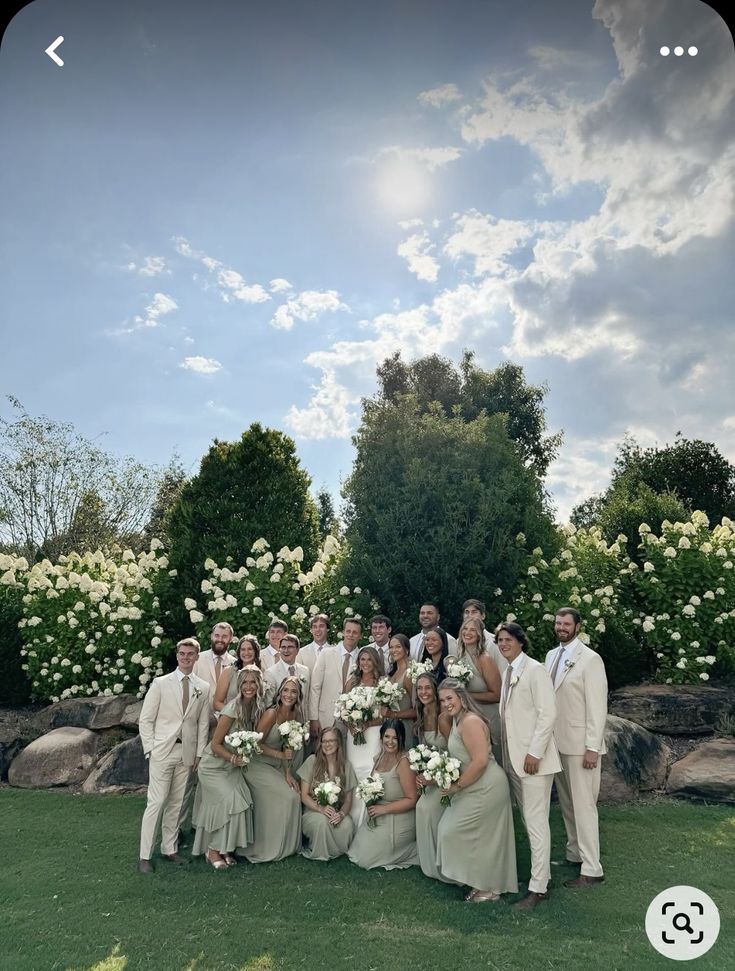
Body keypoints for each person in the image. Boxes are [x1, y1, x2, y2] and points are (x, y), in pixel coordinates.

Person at [434, 679, 518, 902]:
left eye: (449, 698)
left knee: (460, 832)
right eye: (442, 700)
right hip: (474, 785)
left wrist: (456, 786)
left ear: (461, 697)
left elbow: (480, 761)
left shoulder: (470, 721)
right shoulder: (457, 719)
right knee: (458, 832)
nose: (446, 703)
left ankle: (489, 888)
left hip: (486, 786)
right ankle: (480, 882)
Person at [496, 622, 560, 909]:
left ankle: (538, 888)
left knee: (535, 823)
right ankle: (539, 875)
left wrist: (535, 753)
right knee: (528, 822)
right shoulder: (508, 671)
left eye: (508, 639)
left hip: (534, 763)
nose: (503, 644)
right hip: (514, 762)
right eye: (499, 640)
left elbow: (548, 715)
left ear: (521, 642)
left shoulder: (535, 671)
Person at [546, 608, 608, 888]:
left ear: (577, 626)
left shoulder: (591, 659)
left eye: (566, 623)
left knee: (584, 806)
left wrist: (592, 747)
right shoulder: (550, 656)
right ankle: (574, 854)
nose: (561, 627)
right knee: (568, 804)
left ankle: (592, 869)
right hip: (557, 743)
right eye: (558, 623)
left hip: (582, 746)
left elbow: (598, 707)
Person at [138, 638, 210, 873]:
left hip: (186, 752)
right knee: (156, 802)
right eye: (182, 653)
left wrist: (198, 753)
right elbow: (146, 719)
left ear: (197, 657)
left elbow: (202, 724)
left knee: (177, 803)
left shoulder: (203, 687)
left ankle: (170, 849)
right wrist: (150, 748)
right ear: (177, 655)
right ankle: (145, 855)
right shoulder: (160, 683)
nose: (186, 657)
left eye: (190, 654)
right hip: (162, 750)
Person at [192, 667, 265, 868]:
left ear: (259, 685)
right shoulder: (232, 708)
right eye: (245, 683)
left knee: (241, 801)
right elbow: (215, 745)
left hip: (232, 768)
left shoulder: (256, 707)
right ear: (239, 686)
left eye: (253, 683)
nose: (249, 687)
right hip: (213, 767)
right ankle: (212, 851)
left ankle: (226, 849)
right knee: (230, 802)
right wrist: (233, 759)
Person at [243, 676, 305, 863]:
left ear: (298, 696)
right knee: (288, 797)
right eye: (285, 690)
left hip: (278, 766)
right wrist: (280, 757)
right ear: (279, 693)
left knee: (295, 793)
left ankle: (289, 846)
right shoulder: (271, 714)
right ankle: (270, 847)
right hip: (257, 764)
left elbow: (289, 747)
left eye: (293, 691)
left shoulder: (296, 715)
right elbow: (255, 744)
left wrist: (288, 773)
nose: (289, 695)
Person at [348, 719, 419, 870]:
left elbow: (412, 799)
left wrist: (384, 809)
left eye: (395, 738)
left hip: (398, 817)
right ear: (381, 738)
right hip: (379, 815)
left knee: (366, 860)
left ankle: (414, 850)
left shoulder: (404, 763)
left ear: (401, 739)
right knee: (358, 849)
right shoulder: (379, 757)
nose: (390, 742)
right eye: (387, 737)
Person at [413, 672, 452, 883]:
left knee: (427, 808)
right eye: (420, 688)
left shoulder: (443, 716)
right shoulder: (421, 714)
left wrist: (435, 778)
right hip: (431, 776)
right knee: (421, 807)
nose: (424, 692)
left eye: (428, 688)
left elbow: (455, 751)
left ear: (435, 691)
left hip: (448, 776)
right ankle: (429, 864)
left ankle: (443, 864)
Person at [298, 726, 357, 860]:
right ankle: (320, 853)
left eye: (331, 741)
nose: (327, 744)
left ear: (338, 743)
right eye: (324, 741)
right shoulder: (312, 761)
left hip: (335, 811)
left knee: (347, 824)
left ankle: (337, 852)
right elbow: (304, 795)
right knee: (322, 822)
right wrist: (320, 808)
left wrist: (341, 814)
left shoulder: (346, 766)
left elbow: (348, 800)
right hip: (313, 811)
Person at [343, 645, 385, 825]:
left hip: (374, 734)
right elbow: (342, 709)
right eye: (362, 659)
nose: (365, 663)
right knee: (353, 772)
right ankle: (351, 821)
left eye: (369, 659)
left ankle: (367, 820)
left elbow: (386, 714)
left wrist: (368, 723)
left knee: (370, 771)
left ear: (375, 661)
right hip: (354, 736)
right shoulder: (351, 682)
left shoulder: (383, 683)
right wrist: (350, 724)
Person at [456, 617, 503, 765]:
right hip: (466, 718)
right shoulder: (459, 657)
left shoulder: (484, 658)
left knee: (490, 761)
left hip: (487, 718)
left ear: (479, 635)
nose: (467, 633)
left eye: (472, 630)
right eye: (465, 628)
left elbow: (497, 695)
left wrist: (465, 696)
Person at [309, 617, 361, 736]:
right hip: (325, 717)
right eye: (348, 631)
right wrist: (313, 718)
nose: (351, 635)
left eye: (355, 632)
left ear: (360, 636)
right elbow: (315, 687)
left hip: (350, 720)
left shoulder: (362, 657)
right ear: (343, 632)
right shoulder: (326, 653)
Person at [193, 622, 236, 712]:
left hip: (224, 716)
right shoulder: (197, 659)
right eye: (217, 635)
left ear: (231, 638)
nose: (220, 639)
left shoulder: (235, 664)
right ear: (212, 636)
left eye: (224, 636)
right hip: (199, 714)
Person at [380, 634, 416, 742]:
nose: (394, 650)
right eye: (391, 647)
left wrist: (394, 714)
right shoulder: (392, 674)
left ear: (406, 650)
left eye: (398, 647)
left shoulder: (410, 674)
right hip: (390, 727)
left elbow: (417, 710)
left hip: (404, 727)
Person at [461, 599, 509, 677]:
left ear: (483, 616)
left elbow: (503, 672)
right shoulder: (459, 642)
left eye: (474, 612)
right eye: (467, 612)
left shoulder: (494, 642)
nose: (469, 615)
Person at [213, 635, 261, 712]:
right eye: (243, 649)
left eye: (250, 649)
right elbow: (217, 703)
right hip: (231, 718)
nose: (246, 652)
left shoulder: (262, 672)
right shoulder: (228, 672)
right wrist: (233, 714)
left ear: (256, 651)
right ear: (239, 652)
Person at [264, 633, 310, 708]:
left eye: (290, 647)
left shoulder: (305, 671)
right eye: (283, 647)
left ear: (297, 650)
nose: (286, 650)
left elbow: (306, 700)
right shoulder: (270, 673)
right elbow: (268, 704)